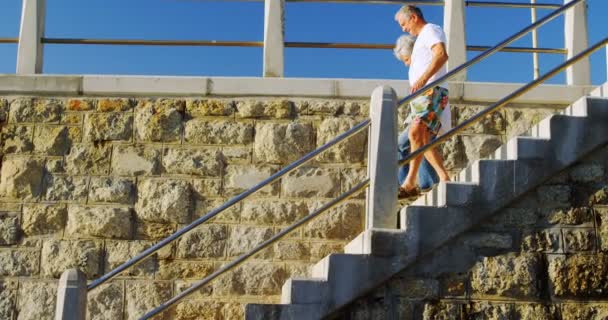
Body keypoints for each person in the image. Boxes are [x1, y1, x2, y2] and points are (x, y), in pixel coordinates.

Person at [394, 5, 452, 199]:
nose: (403, 28)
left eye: (404, 23)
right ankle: (443, 178)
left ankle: (410, 182)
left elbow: (442, 55)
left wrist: (423, 79)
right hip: (424, 95)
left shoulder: (430, 30)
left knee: (415, 132)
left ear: (413, 17)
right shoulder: (420, 40)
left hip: (431, 91)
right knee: (421, 139)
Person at [393, 35, 439, 193]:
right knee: (419, 144)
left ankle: (411, 185)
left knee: (404, 145)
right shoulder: (418, 66)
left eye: (406, 59)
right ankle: (428, 184)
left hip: (428, 108)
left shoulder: (422, 63)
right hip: (423, 109)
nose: (406, 64)